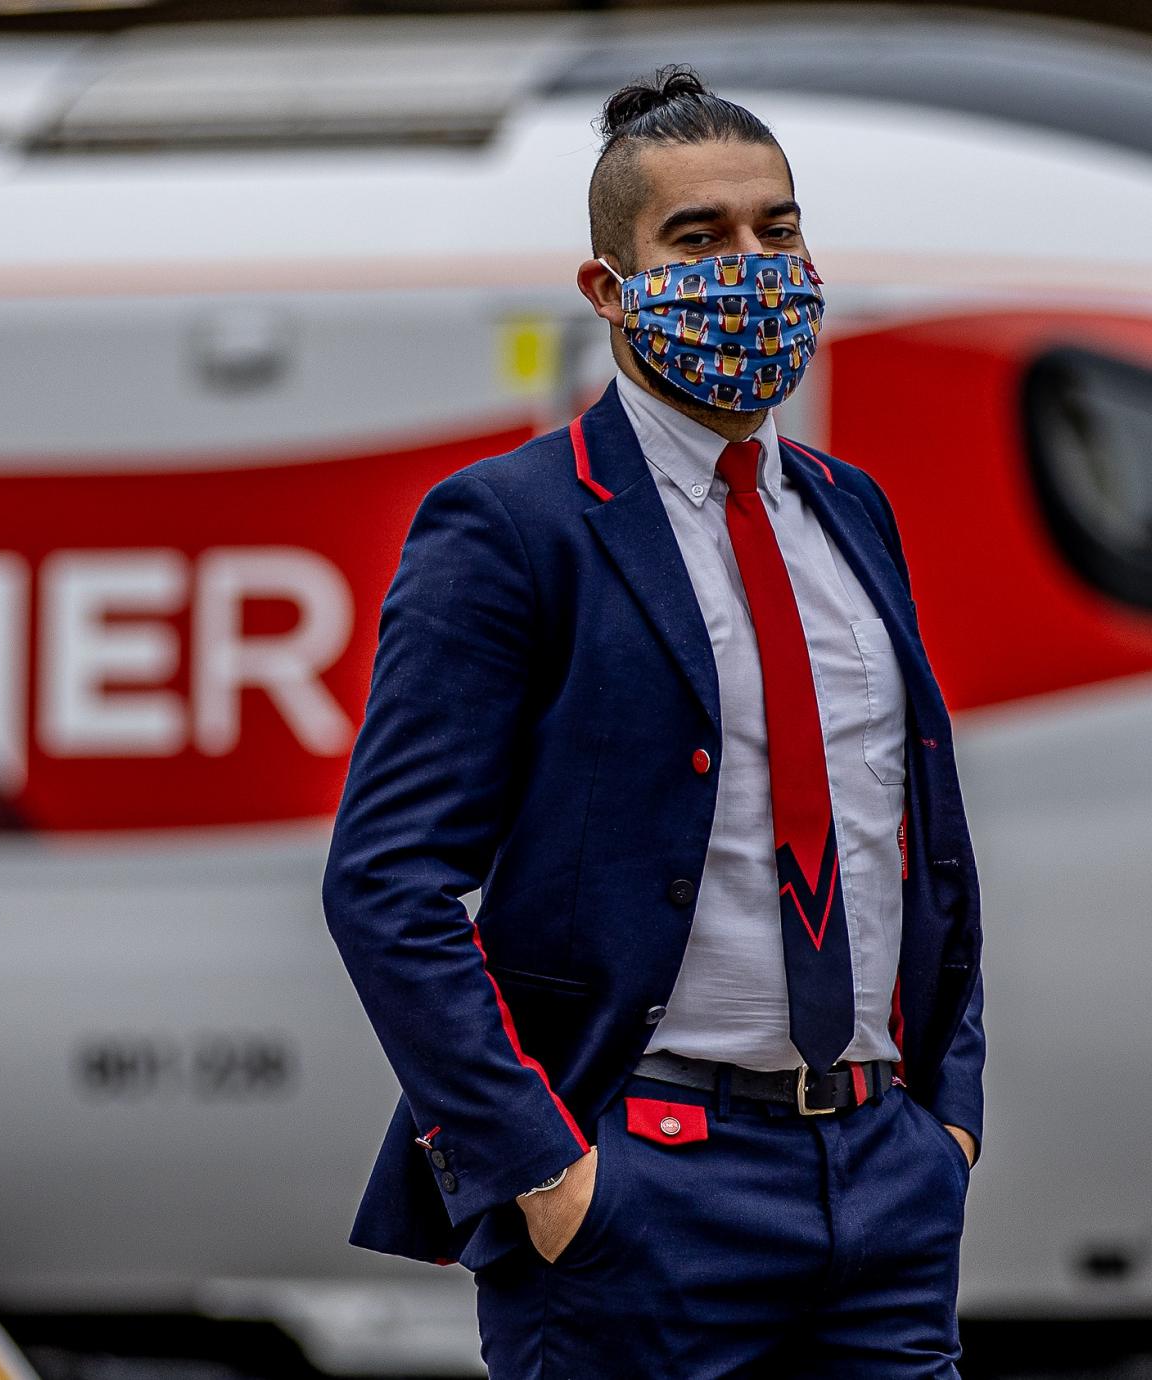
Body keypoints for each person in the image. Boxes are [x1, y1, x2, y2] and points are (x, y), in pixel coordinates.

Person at [320, 67, 984, 1377]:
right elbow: (384, 881)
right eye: (699, 239)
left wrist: (947, 1123)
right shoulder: (513, 527)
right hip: (645, 1199)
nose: (752, 268)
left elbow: (915, 838)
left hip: (882, 1186)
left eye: (775, 230)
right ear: (609, 291)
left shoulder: (851, 514)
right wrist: (550, 1173)